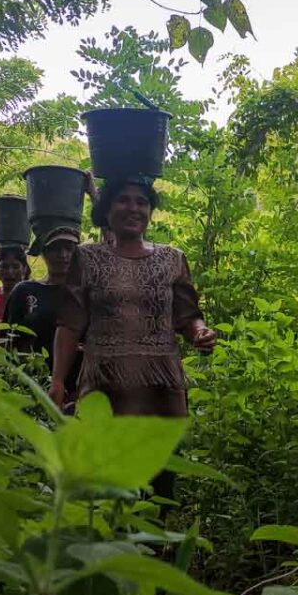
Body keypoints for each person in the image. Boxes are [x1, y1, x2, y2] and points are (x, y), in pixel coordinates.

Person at [49, 177, 216, 496]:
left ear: (151, 211)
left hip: (161, 388)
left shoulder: (172, 259)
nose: (133, 207)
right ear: (106, 209)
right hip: (105, 385)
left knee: (160, 476)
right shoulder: (86, 259)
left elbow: (187, 316)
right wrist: (58, 381)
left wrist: (200, 333)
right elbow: (69, 324)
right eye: (123, 200)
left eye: (141, 201)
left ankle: (154, 544)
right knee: (104, 477)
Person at [3, 227, 82, 394]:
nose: (63, 255)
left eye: (69, 248)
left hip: (78, 387)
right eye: (56, 249)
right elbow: (8, 342)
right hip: (31, 384)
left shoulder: (86, 294)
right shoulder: (25, 291)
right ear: (43, 252)